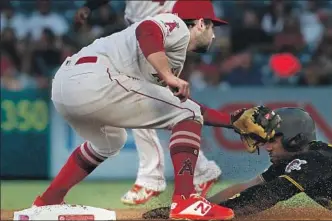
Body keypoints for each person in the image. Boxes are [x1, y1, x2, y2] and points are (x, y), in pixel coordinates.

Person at [32, 1, 280, 220]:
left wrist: (230, 121)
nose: (214, 36)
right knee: (187, 113)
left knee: (110, 141)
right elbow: (146, 29)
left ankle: (48, 200)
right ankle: (185, 200)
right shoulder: (176, 26)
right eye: (213, 27)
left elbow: (177, 106)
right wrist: (166, 76)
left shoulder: (169, 55)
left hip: (65, 85)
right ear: (201, 24)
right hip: (95, 78)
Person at [74, 0, 223, 205]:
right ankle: (201, 171)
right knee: (159, 105)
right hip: (152, 36)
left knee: (144, 101)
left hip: (159, 36)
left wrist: (91, 6)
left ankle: (153, 178)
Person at [143, 107, 332, 219]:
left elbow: (265, 196)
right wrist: (194, 208)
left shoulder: (314, 160)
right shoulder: (294, 160)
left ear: (295, 138)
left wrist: (205, 215)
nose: (267, 147)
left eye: (272, 140)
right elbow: (248, 187)